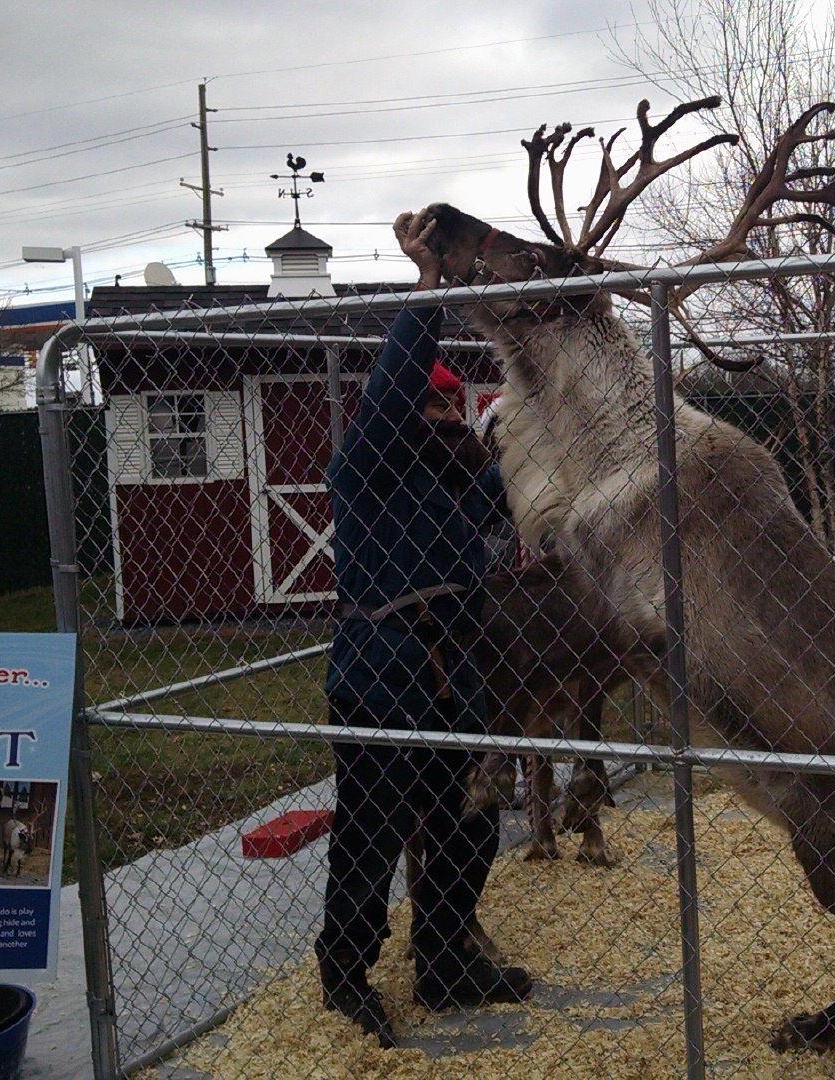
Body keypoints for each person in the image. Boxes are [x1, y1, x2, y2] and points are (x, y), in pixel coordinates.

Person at [316, 208, 532, 1046]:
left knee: (470, 826)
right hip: (381, 672)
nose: (450, 428)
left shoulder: (453, 491)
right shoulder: (365, 466)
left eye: (457, 419)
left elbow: (502, 487)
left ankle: (443, 961)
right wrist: (430, 286)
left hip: (454, 679)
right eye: (436, 418)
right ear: (406, 418)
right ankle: (346, 976)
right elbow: (399, 383)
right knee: (369, 840)